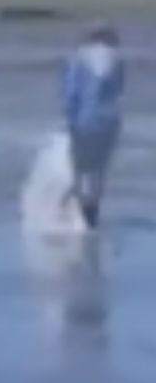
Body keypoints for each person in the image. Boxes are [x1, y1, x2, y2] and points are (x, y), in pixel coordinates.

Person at [61, 23, 126, 230]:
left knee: (79, 170)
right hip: (109, 122)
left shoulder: (79, 60)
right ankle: (92, 218)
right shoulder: (117, 61)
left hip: (84, 120)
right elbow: (118, 91)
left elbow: (71, 95)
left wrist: (69, 122)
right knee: (99, 172)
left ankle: (76, 214)